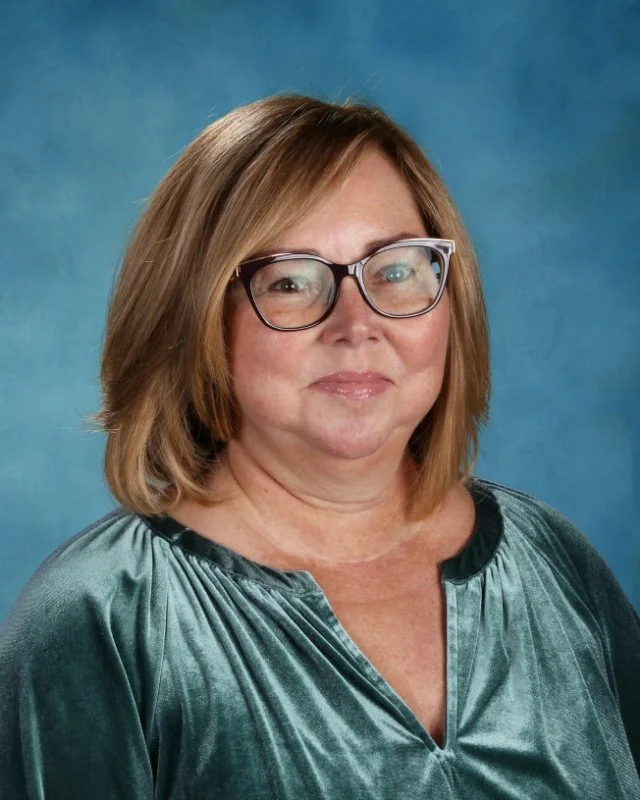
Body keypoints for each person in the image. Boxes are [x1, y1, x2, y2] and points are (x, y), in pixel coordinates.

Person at [0, 94, 638, 799]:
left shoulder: (554, 563)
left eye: (395, 269)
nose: (356, 324)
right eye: (292, 282)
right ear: (196, 316)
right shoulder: (103, 621)